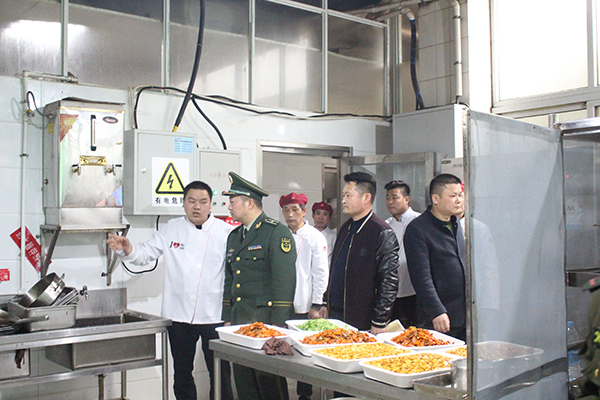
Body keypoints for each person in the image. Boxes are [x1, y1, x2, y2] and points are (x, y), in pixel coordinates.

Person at [106, 181, 233, 400]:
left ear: (211, 204)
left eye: (203, 202)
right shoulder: (171, 228)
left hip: (215, 315)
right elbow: (144, 255)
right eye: (191, 201)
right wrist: (126, 248)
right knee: (182, 374)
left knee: (220, 373)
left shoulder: (227, 232)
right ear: (183, 203)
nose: (197, 207)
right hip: (178, 315)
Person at [222, 172, 297, 400]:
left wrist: (279, 325)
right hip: (240, 320)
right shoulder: (235, 236)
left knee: (269, 381)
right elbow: (230, 279)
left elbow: (284, 280)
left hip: (265, 321)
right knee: (243, 379)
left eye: (233, 201)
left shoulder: (275, 232)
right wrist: (228, 316)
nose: (229, 207)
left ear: (250, 203)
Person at [326, 171, 399, 334]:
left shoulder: (381, 232)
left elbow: (389, 281)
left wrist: (379, 319)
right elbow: (335, 269)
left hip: (362, 320)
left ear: (366, 198)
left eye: (348, 195)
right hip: (336, 315)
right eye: (343, 195)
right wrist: (326, 302)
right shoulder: (345, 228)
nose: (343, 200)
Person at [404, 173, 466, 341]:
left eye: (460, 195)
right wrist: (436, 310)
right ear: (435, 199)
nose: (459, 200)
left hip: (463, 313)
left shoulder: (455, 223)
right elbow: (421, 277)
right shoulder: (418, 229)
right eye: (453, 196)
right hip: (438, 316)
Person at [280, 192, 329, 400]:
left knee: (303, 352)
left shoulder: (314, 237)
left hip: (304, 303)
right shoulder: (280, 235)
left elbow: (320, 272)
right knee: (280, 347)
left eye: (294, 209)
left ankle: (304, 394)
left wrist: (317, 304)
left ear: (304, 211)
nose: (290, 214)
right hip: (282, 303)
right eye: (286, 210)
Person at [384, 180, 420, 329]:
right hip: (391, 290)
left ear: (406, 199)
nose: (390, 202)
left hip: (414, 289)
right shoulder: (386, 225)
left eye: (394, 197)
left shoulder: (419, 221)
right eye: (387, 198)